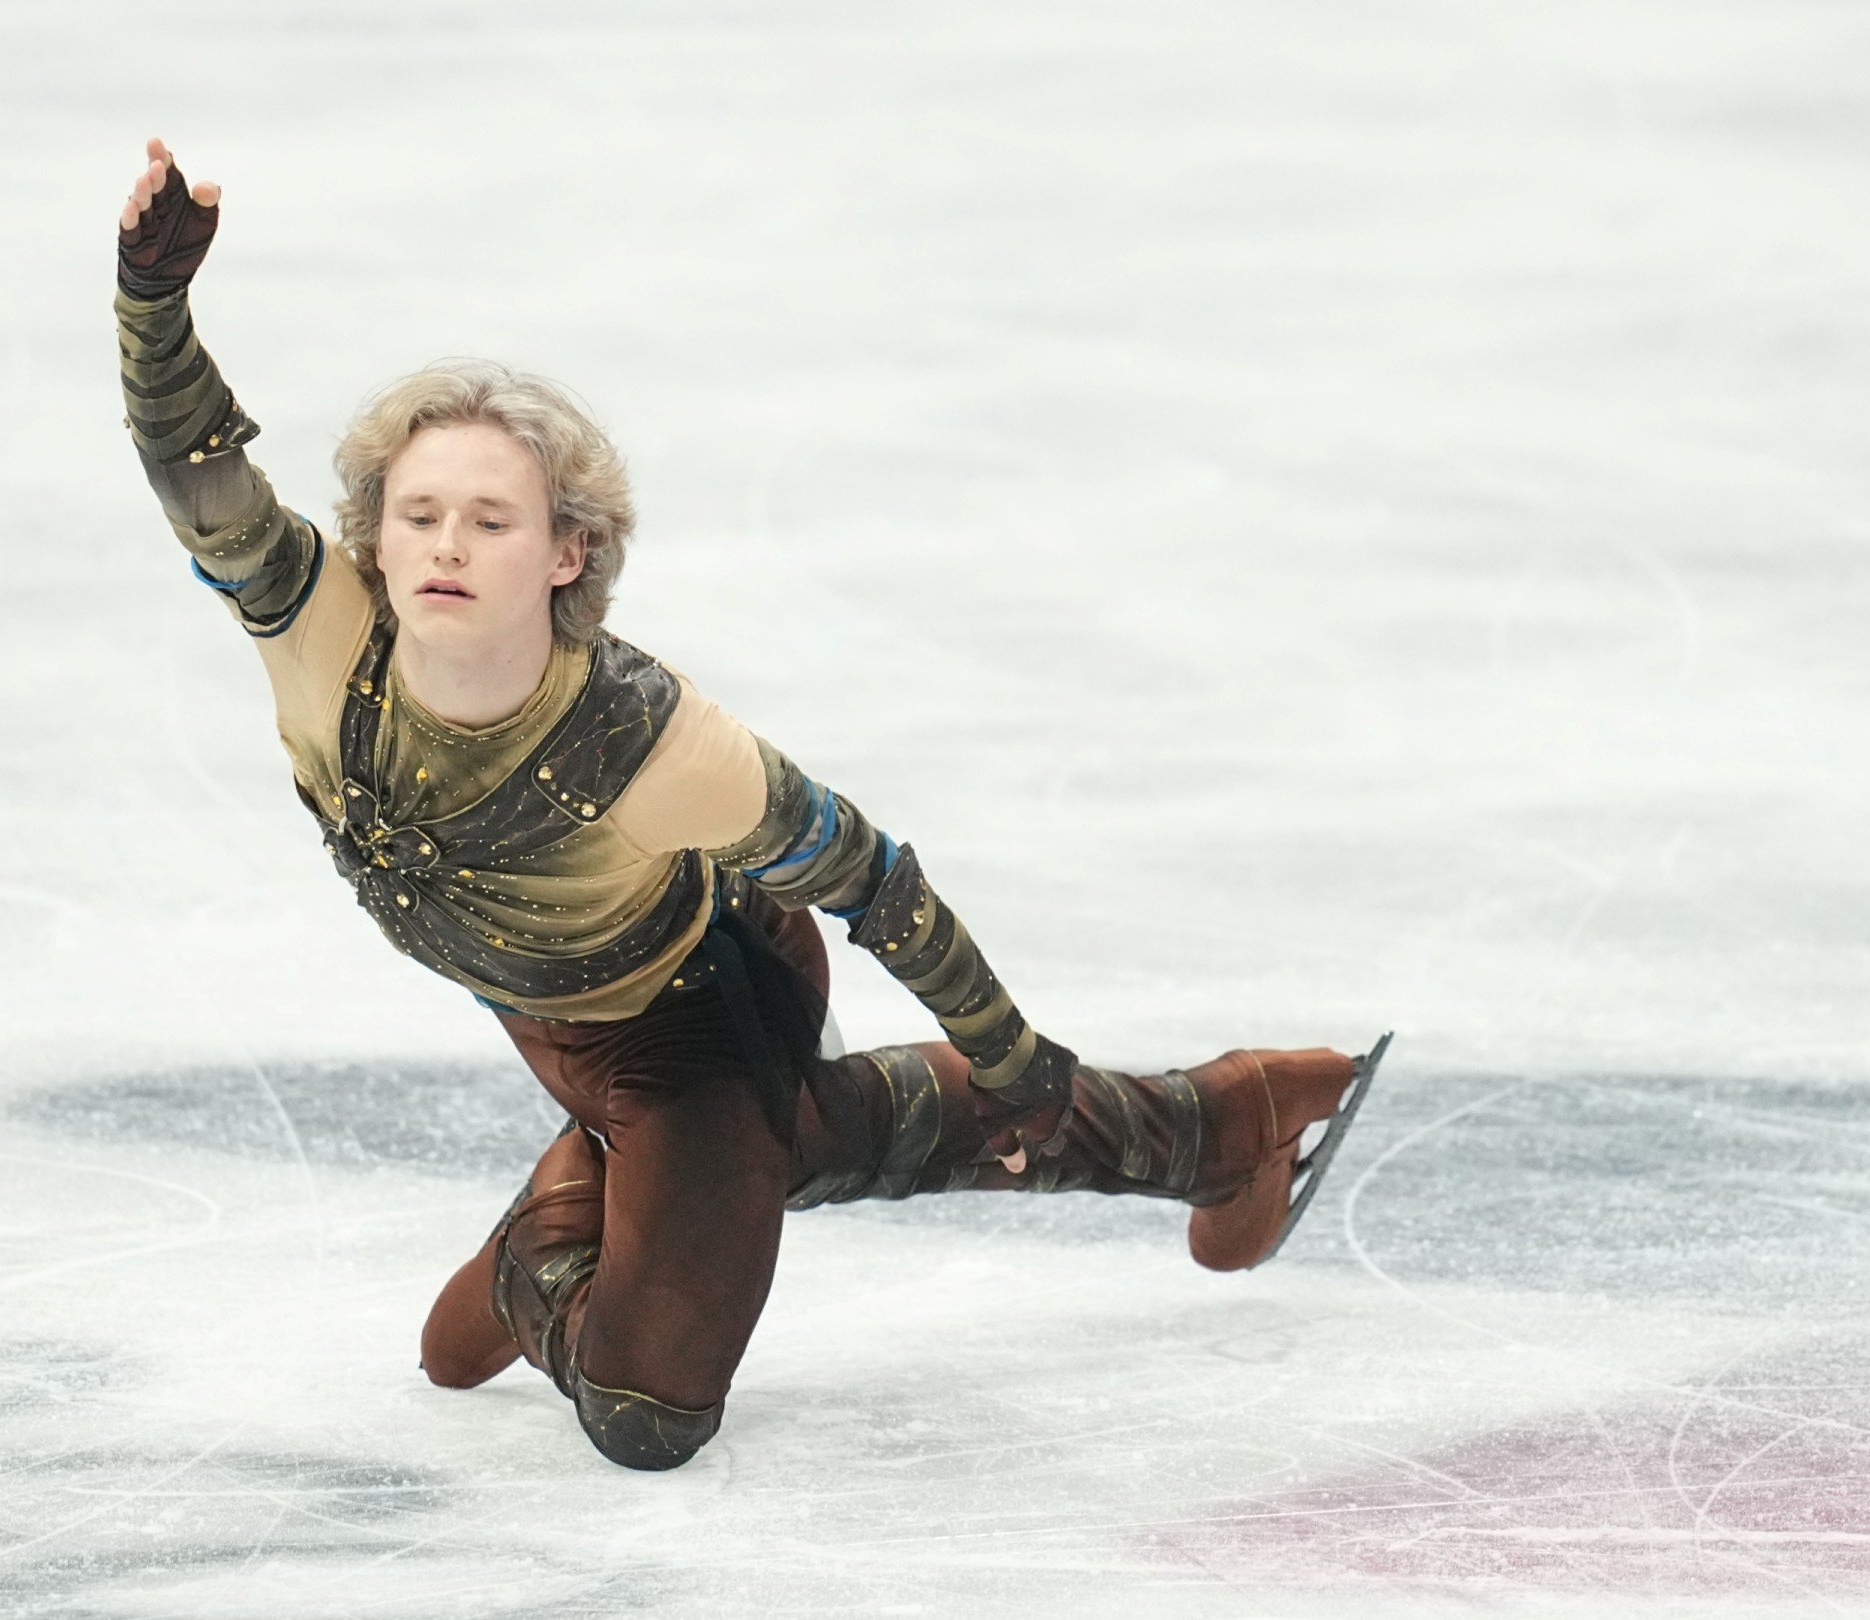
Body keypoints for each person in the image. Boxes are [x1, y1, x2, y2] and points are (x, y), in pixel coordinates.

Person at [113, 139, 1382, 1471]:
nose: (444, 544)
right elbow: (185, 451)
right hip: (539, 1013)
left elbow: (876, 881)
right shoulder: (317, 620)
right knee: (578, 1287)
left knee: (647, 1415)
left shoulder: (648, 742)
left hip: (696, 1026)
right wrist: (154, 296)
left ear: (565, 553)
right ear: (376, 536)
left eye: (490, 520)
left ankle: (572, 1231)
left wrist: (1016, 1066)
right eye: (419, 515)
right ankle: (1210, 1127)